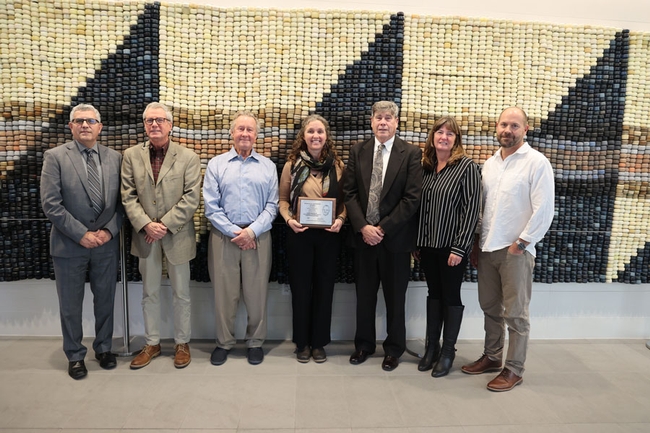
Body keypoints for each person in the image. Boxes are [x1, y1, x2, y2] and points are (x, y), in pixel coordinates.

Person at [462, 107, 554, 391]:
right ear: (496, 127)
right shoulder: (490, 164)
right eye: (503, 124)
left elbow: (544, 209)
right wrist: (477, 242)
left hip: (516, 251)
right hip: (489, 247)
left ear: (525, 129)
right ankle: (492, 356)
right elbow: (483, 209)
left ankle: (514, 368)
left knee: (515, 313)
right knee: (490, 307)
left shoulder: (537, 163)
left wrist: (522, 243)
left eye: (514, 125)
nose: (507, 130)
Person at [40, 103, 123, 379]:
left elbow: (123, 204)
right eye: (79, 121)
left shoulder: (116, 158)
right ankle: (75, 355)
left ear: (100, 126)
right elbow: (51, 204)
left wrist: (109, 231)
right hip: (69, 245)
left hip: (106, 244)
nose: (85, 125)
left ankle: (103, 348)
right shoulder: (55, 157)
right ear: (71, 127)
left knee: (105, 301)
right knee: (70, 304)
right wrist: (81, 234)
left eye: (90, 121)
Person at [343, 101, 422, 371]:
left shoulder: (410, 153)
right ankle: (363, 345)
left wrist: (383, 228)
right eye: (379, 117)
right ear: (371, 120)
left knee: (395, 298)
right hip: (363, 239)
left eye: (389, 118)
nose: (383, 122)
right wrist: (364, 227)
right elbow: (349, 193)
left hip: (395, 242)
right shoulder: (358, 151)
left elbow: (411, 199)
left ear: (397, 122)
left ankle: (394, 349)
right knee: (364, 297)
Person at [121, 102, 201, 370]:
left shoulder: (188, 157)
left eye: (159, 119)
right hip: (145, 236)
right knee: (149, 292)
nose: (154, 124)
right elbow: (128, 195)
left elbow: (191, 198)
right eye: (149, 120)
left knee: (182, 293)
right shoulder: (131, 155)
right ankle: (152, 343)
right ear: (144, 125)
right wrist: (145, 224)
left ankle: (182, 343)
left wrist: (163, 224)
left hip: (177, 235)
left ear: (170, 124)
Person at [203, 110, 279, 366]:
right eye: (240, 129)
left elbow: (272, 205)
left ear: (256, 136)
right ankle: (224, 343)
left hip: (258, 238)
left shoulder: (268, 167)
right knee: (225, 295)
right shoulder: (216, 164)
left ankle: (255, 342)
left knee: (256, 294)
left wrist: (251, 231)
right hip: (224, 238)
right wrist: (235, 232)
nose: (245, 133)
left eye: (250, 129)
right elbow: (211, 206)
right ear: (232, 133)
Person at [415, 116, 481, 377]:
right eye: (439, 132)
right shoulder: (426, 167)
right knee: (434, 294)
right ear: (433, 137)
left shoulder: (467, 167)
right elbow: (419, 208)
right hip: (428, 245)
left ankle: (447, 351)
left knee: (451, 297)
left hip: (452, 248)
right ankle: (432, 347)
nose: (444, 137)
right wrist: (416, 241)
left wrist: (460, 248)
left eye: (450, 133)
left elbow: (471, 210)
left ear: (457, 140)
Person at [279, 114, 346, 363]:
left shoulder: (337, 166)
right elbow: (283, 200)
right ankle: (302, 343)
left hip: (329, 237)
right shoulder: (292, 165)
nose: (315, 136)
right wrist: (288, 220)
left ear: (326, 136)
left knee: (324, 289)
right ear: (303, 136)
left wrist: (340, 219)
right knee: (300, 289)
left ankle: (319, 343)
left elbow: (345, 202)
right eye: (311, 132)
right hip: (300, 235)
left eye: (320, 132)